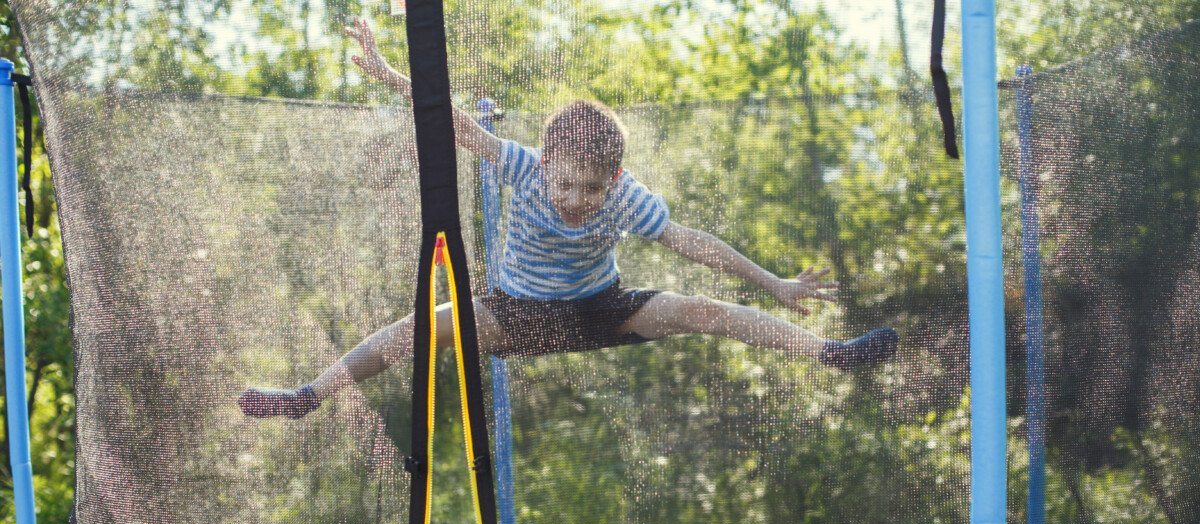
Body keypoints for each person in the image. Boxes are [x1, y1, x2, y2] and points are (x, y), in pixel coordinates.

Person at [238, 18, 897, 419]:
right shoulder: (522, 165)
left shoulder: (623, 195)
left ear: (611, 179)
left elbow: (693, 243)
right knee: (418, 326)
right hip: (514, 315)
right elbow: (455, 122)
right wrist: (389, 76)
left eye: (589, 189)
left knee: (706, 311)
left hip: (600, 308)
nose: (574, 199)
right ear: (546, 159)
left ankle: (831, 353)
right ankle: (307, 396)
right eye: (565, 183)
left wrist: (776, 283)